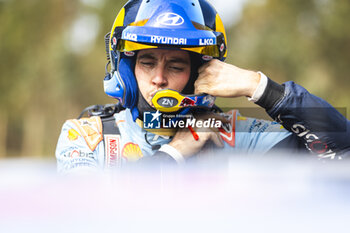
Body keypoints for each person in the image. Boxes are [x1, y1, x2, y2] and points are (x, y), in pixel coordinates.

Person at [56, 0, 350, 173]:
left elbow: (343, 152)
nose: (159, 78)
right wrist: (177, 151)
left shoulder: (232, 133)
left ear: (201, 73)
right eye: (147, 62)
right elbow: (93, 214)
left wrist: (259, 86)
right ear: (127, 69)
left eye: (176, 66)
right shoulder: (85, 136)